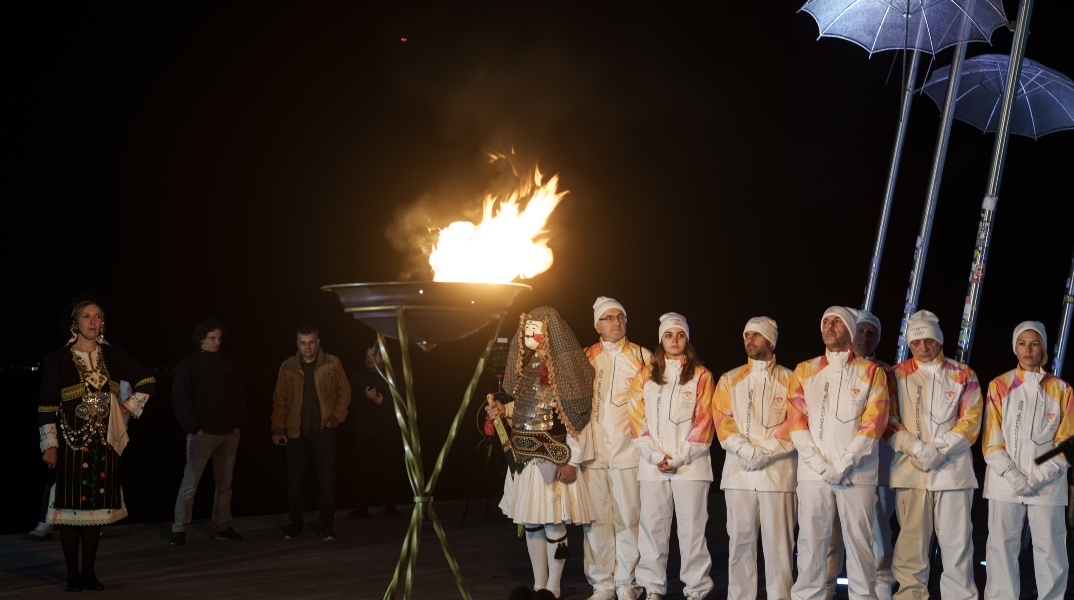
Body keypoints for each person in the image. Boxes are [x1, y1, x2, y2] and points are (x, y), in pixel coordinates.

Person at [38, 297, 155, 591]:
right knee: (70, 509)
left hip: (104, 443)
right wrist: (49, 445)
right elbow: (46, 407)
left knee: (95, 509)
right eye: (87, 316)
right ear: (74, 323)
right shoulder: (57, 359)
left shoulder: (113, 355)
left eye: (98, 316)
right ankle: (71, 575)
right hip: (71, 443)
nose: (93, 321)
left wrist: (125, 407)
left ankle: (89, 573)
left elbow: (147, 380)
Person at [778, 306, 889, 600]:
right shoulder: (805, 369)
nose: (829, 326)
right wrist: (820, 465)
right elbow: (796, 422)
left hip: (858, 474)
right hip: (813, 475)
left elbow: (874, 424)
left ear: (850, 330)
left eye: (837, 322)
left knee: (860, 545)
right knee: (811, 543)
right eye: (826, 321)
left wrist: (842, 464)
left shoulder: (871, 372)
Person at [485, 306, 595, 599]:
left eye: (536, 328)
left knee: (553, 521)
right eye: (528, 329)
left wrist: (572, 460)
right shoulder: (529, 366)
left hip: (553, 457)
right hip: (526, 458)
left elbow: (577, 418)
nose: (529, 334)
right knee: (532, 521)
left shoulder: (565, 368)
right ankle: (538, 584)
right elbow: (526, 407)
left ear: (549, 331)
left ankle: (553, 588)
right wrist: (504, 409)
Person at [885, 310, 982, 599]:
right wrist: (917, 448)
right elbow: (887, 420)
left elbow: (972, 420)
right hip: (910, 471)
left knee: (957, 545)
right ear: (909, 344)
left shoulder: (963, 374)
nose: (923, 348)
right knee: (910, 546)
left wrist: (939, 449)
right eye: (916, 342)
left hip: (953, 471)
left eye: (929, 341)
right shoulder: (895, 375)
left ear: (939, 340)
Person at [628, 313, 716, 600]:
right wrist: (655, 456)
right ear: (661, 339)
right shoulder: (645, 375)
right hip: (652, 466)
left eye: (680, 335)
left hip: (690, 466)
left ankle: (696, 589)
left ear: (687, 339)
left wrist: (678, 458)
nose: (674, 340)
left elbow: (705, 422)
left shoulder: (702, 375)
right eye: (668, 335)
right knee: (652, 528)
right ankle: (653, 588)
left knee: (692, 531)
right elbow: (636, 419)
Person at [982, 321, 1072, 600]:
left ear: (1043, 347)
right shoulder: (999, 385)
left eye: (1034, 343)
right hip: (1004, 484)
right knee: (1001, 548)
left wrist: (1036, 478)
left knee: (1051, 550)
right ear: (1015, 348)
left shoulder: (1062, 389)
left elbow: (1066, 442)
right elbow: (991, 440)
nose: (1028, 349)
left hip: (1048, 485)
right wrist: (1014, 477)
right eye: (1022, 343)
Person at [714, 316, 796, 600]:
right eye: (747, 335)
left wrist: (767, 452)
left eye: (756, 335)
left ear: (771, 341)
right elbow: (722, 421)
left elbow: (797, 422)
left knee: (780, 546)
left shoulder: (791, 379)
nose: (750, 340)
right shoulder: (729, 379)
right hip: (740, 473)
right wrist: (747, 450)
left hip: (779, 475)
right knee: (740, 544)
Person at [582, 297, 652, 600]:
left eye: (621, 317)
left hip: (629, 453)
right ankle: (602, 585)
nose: (616, 322)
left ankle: (627, 583)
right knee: (596, 521)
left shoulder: (643, 356)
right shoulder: (585, 357)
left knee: (629, 518)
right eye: (609, 318)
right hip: (593, 454)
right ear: (597, 325)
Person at [825, 311, 897, 599]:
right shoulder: (828, 370)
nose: (865, 337)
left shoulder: (888, 373)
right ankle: (826, 588)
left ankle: (880, 588)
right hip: (833, 468)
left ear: (879, 338)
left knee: (877, 534)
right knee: (830, 534)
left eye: (871, 332)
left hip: (875, 469)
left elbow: (892, 420)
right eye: (860, 331)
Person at [272, 324, 352, 541]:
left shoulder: (332, 363)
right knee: (295, 481)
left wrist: (335, 420)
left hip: (323, 431)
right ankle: (295, 523)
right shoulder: (287, 366)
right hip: (295, 433)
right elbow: (279, 401)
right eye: (303, 343)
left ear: (318, 342)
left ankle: (327, 524)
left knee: (326, 480)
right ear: (297, 343)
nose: (307, 347)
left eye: (311, 342)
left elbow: (344, 392)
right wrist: (277, 429)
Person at [171, 319, 247, 545]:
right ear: (201, 340)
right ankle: (179, 529)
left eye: (219, 338)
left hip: (229, 434)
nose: (217, 342)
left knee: (225, 484)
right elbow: (180, 399)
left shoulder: (227, 364)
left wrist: (238, 425)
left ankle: (223, 527)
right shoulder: (188, 364)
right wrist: (194, 428)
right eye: (212, 338)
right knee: (190, 484)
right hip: (203, 435)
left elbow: (239, 396)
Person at [349, 345, 403, 519]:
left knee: (389, 471)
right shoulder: (357, 377)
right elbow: (349, 404)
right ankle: (361, 508)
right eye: (366, 355)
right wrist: (366, 398)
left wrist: (383, 402)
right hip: (364, 434)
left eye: (373, 355)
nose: (369, 359)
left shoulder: (394, 376)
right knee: (363, 471)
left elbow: (404, 404)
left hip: (388, 433)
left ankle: (390, 508)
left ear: (383, 358)